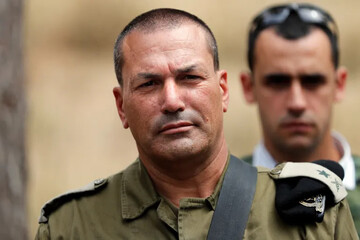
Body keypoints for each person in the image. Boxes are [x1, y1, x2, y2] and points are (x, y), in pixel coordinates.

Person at [35, 8, 358, 239]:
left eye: (190, 78)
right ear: (121, 106)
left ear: (223, 91)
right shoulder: (71, 225)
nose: (173, 100)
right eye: (149, 84)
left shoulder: (312, 213)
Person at [240, 3, 360, 237]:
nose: (297, 102)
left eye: (313, 81)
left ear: (339, 84)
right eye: (278, 82)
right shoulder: (220, 193)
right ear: (248, 87)